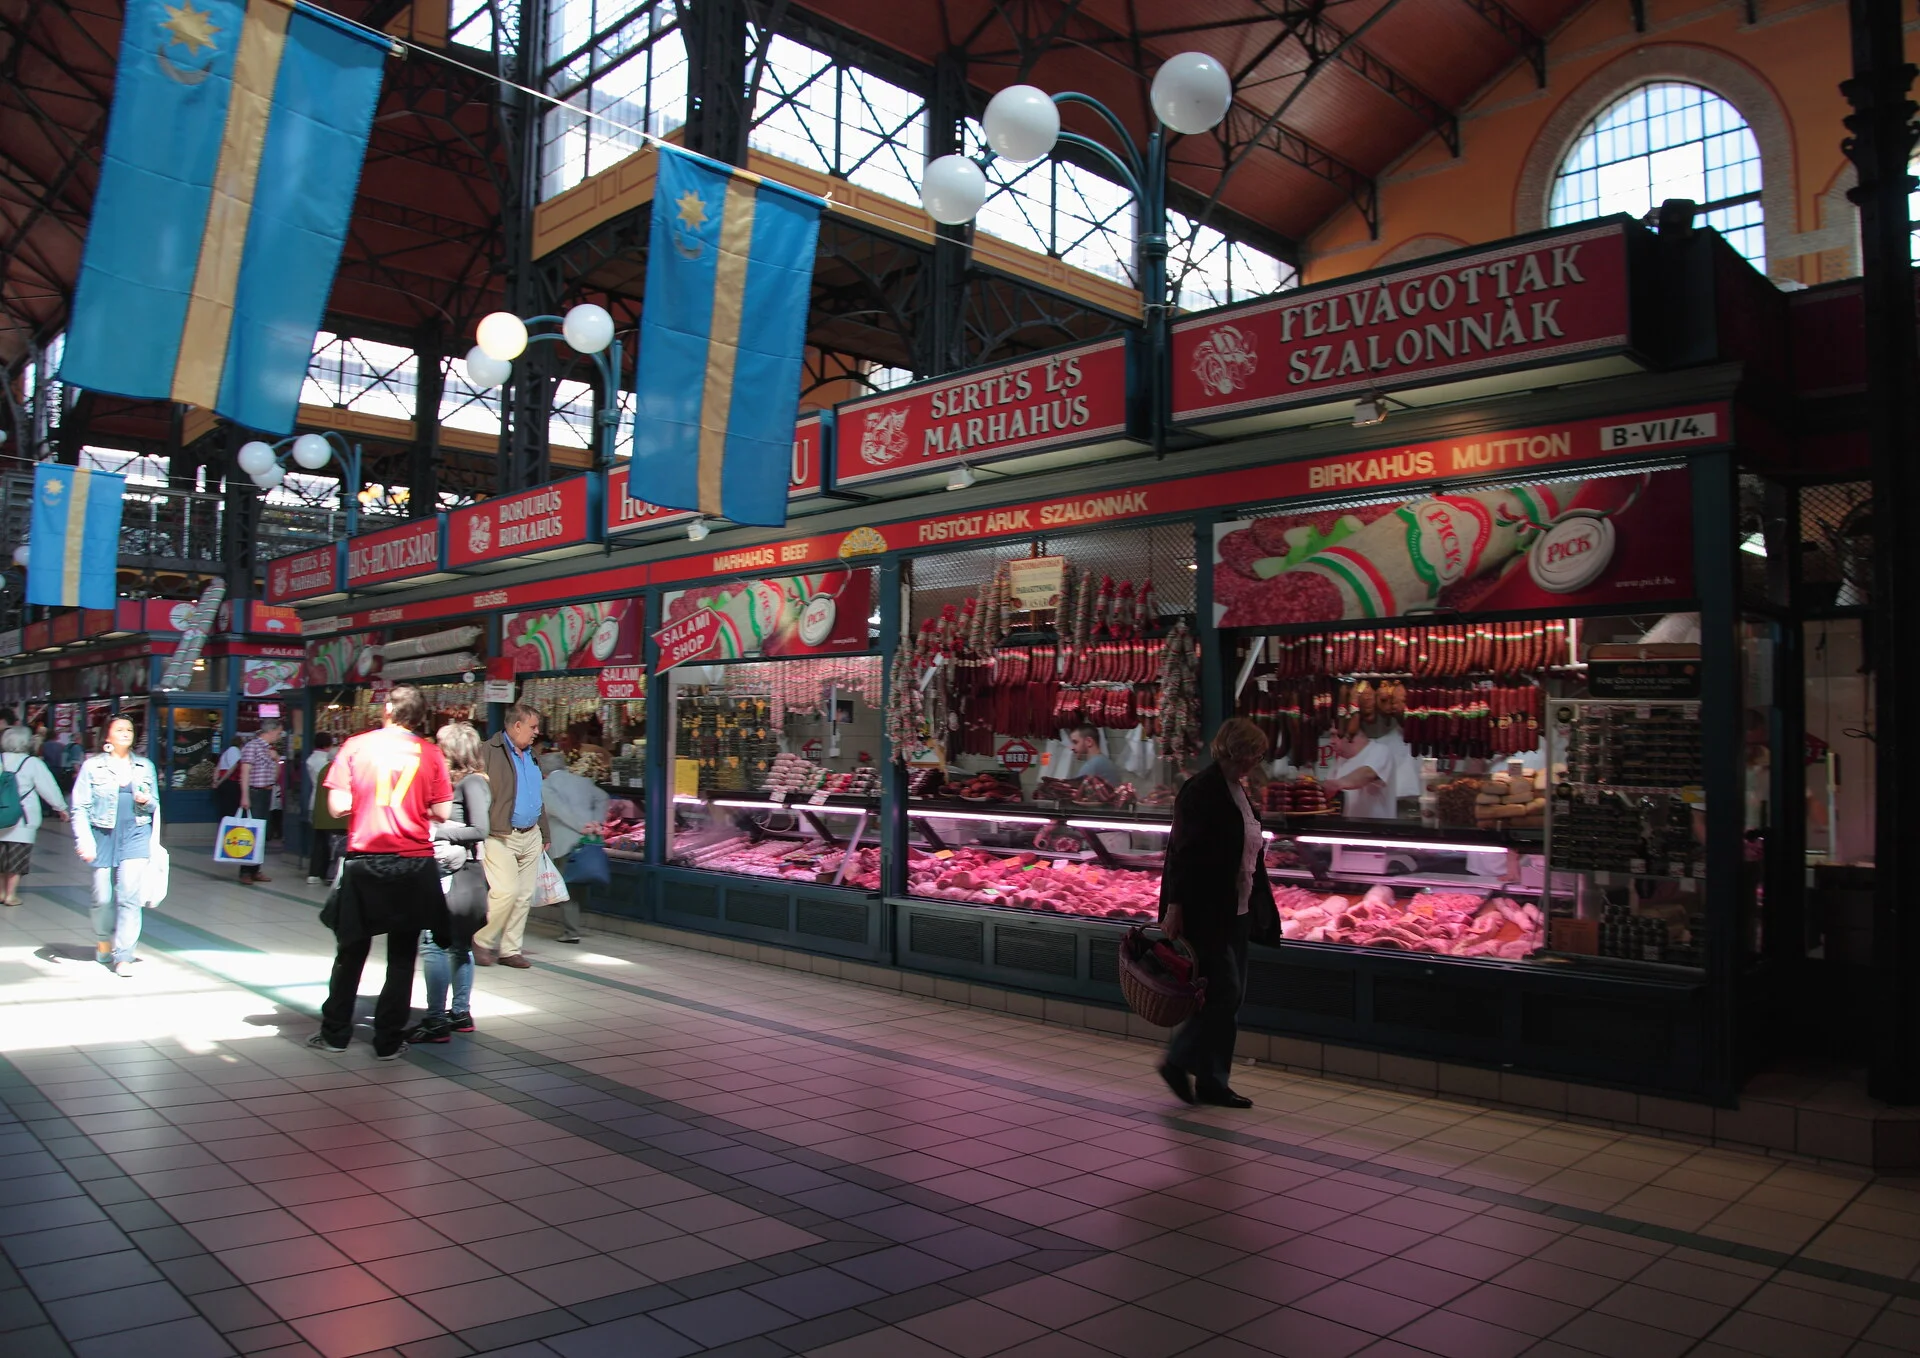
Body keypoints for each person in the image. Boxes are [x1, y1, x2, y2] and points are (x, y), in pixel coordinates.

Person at [311, 685, 452, 1059]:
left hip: (366, 859)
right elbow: (443, 812)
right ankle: (388, 1040)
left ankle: (336, 1033)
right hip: (414, 861)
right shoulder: (432, 753)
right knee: (403, 956)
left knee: (351, 950)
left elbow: (338, 805)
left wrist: (369, 798)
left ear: (388, 708)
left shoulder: (356, 746)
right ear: (420, 716)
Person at [1157, 717, 1280, 1110]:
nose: (1255, 760)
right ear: (1232, 750)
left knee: (1232, 996)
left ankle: (1213, 1081)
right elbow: (1181, 853)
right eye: (1251, 752)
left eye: (1258, 754)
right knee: (1223, 994)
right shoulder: (1201, 790)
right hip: (1204, 909)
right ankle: (1178, 1061)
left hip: (1239, 908)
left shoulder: (1238, 790)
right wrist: (1174, 909)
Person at [411, 722, 491, 1044]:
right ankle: (459, 1013)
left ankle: (436, 1018)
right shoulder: (455, 782)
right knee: (457, 946)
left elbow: (480, 829)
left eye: (441, 746)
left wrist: (435, 831)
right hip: (453, 871)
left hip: (456, 873)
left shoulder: (472, 782)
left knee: (435, 944)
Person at [72, 717, 161, 977]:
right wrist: (84, 839)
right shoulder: (92, 766)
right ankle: (103, 939)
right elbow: (79, 807)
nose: (126, 733)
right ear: (107, 737)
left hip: (135, 834)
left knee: (129, 897)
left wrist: (146, 800)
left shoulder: (145, 766)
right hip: (102, 835)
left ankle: (124, 955)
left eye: (130, 730)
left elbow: (155, 804)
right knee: (102, 898)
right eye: (119, 730)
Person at [472, 703, 548, 970]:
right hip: (499, 833)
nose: (537, 732)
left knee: (524, 895)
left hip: (531, 834)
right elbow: (473, 791)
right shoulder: (487, 751)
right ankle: (482, 941)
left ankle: (510, 950)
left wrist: (544, 832)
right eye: (533, 726)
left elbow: (537, 796)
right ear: (517, 726)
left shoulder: (532, 755)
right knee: (506, 890)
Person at [539, 751, 607, 945]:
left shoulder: (545, 786)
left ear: (543, 771)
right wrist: (596, 822)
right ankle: (574, 925)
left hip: (565, 843)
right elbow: (603, 797)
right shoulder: (583, 781)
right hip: (588, 840)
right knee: (576, 885)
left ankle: (571, 931)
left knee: (566, 888)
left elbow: (559, 811)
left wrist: (581, 826)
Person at [0, 725, 67, 906]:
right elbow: (48, 788)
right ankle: (10, 895)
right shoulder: (32, 763)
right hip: (23, 817)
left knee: (1, 856)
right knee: (16, 856)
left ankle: (0, 892)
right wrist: (61, 807)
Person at [235, 722, 283, 884]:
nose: (279, 736)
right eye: (278, 732)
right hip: (255, 792)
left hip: (267, 792)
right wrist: (245, 795)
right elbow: (245, 772)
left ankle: (256, 868)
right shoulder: (252, 746)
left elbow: (275, 777)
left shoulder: (270, 750)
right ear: (271, 731)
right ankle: (245, 871)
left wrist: (276, 761)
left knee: (262, 831)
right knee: (250, 831)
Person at [1326, 721, 1401, 820]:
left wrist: (1337, 784)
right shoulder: (1340, 761)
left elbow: (1367, 773)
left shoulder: (1379, 750)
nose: (1331, 741)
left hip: (1376, 831)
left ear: (1350, 735)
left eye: (1334, 735)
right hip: (1349, 830)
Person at [306, 733, 345, 885]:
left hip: (318, 807)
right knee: (336, 845)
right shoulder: (334, 770)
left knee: (320, 842)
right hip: (334, 813)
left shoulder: (313, 762)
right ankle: (330, 873)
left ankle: (316, 872)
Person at [213, 735, 245, 818]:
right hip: (230, 783)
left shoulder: (225, 752)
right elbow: (232, 769)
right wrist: (220, 782)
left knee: (225, 810)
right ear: (241, 744)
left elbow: (217, 768)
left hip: (224, 783)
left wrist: (215, 780)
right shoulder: (234, 751)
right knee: (231, 810)